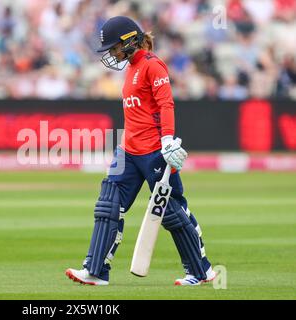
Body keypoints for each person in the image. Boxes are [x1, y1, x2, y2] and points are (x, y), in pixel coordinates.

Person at [65, 16, 217, 286]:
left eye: (114, 47)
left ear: (130, 42)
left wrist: (168, 140)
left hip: (154, 153)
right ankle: (95, 270)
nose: (112, 53)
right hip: (128, 151)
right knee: (108, 206)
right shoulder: (131, 68)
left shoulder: (152, 66)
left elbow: (166, 104)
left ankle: (201, 271)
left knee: (171, 211)